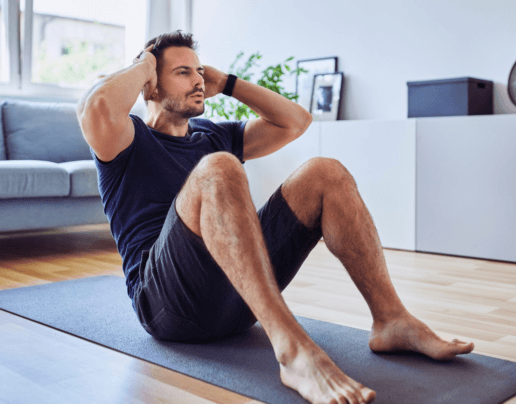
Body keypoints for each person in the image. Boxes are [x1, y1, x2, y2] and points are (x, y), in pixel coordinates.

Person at [76, 30, 474, 404]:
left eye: (200, 71)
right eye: (183, 72)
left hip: (237, 302)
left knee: (325, 172)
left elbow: (295, 121)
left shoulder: (212, 135)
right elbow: (95, 106)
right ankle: (291, 351)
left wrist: (227, 82)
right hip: (169, 307)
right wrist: (145, 64)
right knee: (220, 168)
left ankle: (391, 320)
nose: (198, 80)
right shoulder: (126, 139)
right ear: (151, 84)